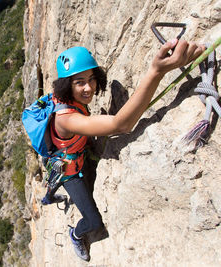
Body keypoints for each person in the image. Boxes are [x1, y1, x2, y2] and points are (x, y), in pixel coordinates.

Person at [51, 40, 204, 261]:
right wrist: (156, 71)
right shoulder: (66, 119)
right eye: (79, 82)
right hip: (69, 172)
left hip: (79, 155)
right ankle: (75, 234)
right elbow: (121, 125)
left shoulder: (67, 100)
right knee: (93, 222)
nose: (89, 87)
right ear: (67, 85)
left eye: (92, 79)